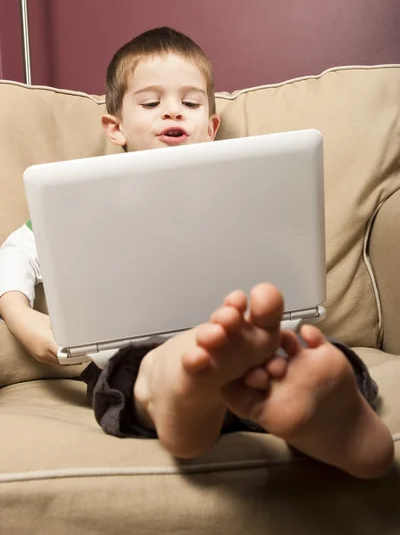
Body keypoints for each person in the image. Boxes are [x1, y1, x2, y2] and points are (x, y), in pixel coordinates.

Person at [0, 27, 394, 479]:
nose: (172, 110)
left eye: (190, 103)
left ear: (210, 128)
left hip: (252, 353)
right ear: (115, 127)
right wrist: (21, 316)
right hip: (137, 360)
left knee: (317, 360)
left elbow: (283, 267)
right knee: (143, 376)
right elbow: (16, 252)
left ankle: (324, 418)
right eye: (150, 103)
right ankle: (185, 395)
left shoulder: (239, 190)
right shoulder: (85, 199)